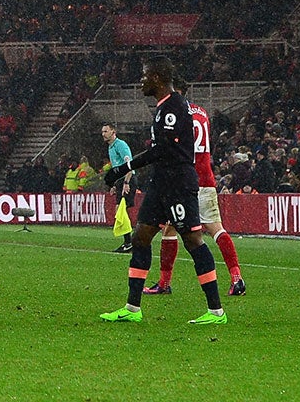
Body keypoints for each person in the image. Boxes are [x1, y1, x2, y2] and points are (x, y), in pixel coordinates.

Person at [100, 59, 226, 326]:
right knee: (141, 237)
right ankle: (132, 308)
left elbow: (163, 150)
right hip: (161, 182)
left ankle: (216, 312)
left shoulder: (174, 106)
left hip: (179, 183)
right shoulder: (162, 108)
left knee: (193, 241)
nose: (141, 81)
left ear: (157, 78)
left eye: (145, 76)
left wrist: (125, 167)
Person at [143, 95, 243, 297]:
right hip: (206, 178)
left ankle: (164, 283)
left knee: (170, 230)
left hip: (184, 180)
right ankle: (237, 278)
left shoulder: (176, 114)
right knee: (217, 229)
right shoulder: (202, 113)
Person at [102, 122, 135, 252]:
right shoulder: (110, 147)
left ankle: (130, 242)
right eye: (102, 132)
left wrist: (126, 183)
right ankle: (128, 242)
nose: (103, 134)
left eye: (105, 131)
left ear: (113, 132)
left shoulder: (120, 145)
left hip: (128, 179)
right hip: (120, 181)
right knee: (119, 210)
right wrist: (115, 184)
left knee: (120, 210)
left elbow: (129, 165)